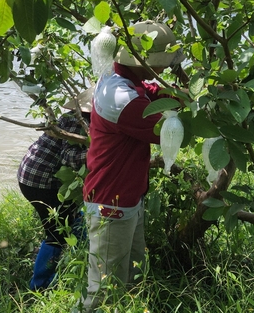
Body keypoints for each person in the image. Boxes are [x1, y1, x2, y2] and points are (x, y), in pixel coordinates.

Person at [78, 20, 185, 311]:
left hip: (124, 197)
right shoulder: (122, 100)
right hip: (112, 202)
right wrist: (189, 99)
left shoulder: (119, 80)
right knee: (104, 288)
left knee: (132, 274)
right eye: (160, 63)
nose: (163, 70)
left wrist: (171, 91)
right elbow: (169, 131)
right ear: (142, 61)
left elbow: (151, 90)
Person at [17, 87, 93, 291]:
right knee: (56, 234)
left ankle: (84, 259)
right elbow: (70, 157)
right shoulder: (81, 122)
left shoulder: (70, 117)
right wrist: (101, 152)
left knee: (72, 217)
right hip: (41, 181)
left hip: (29, 175)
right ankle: (39, 286)